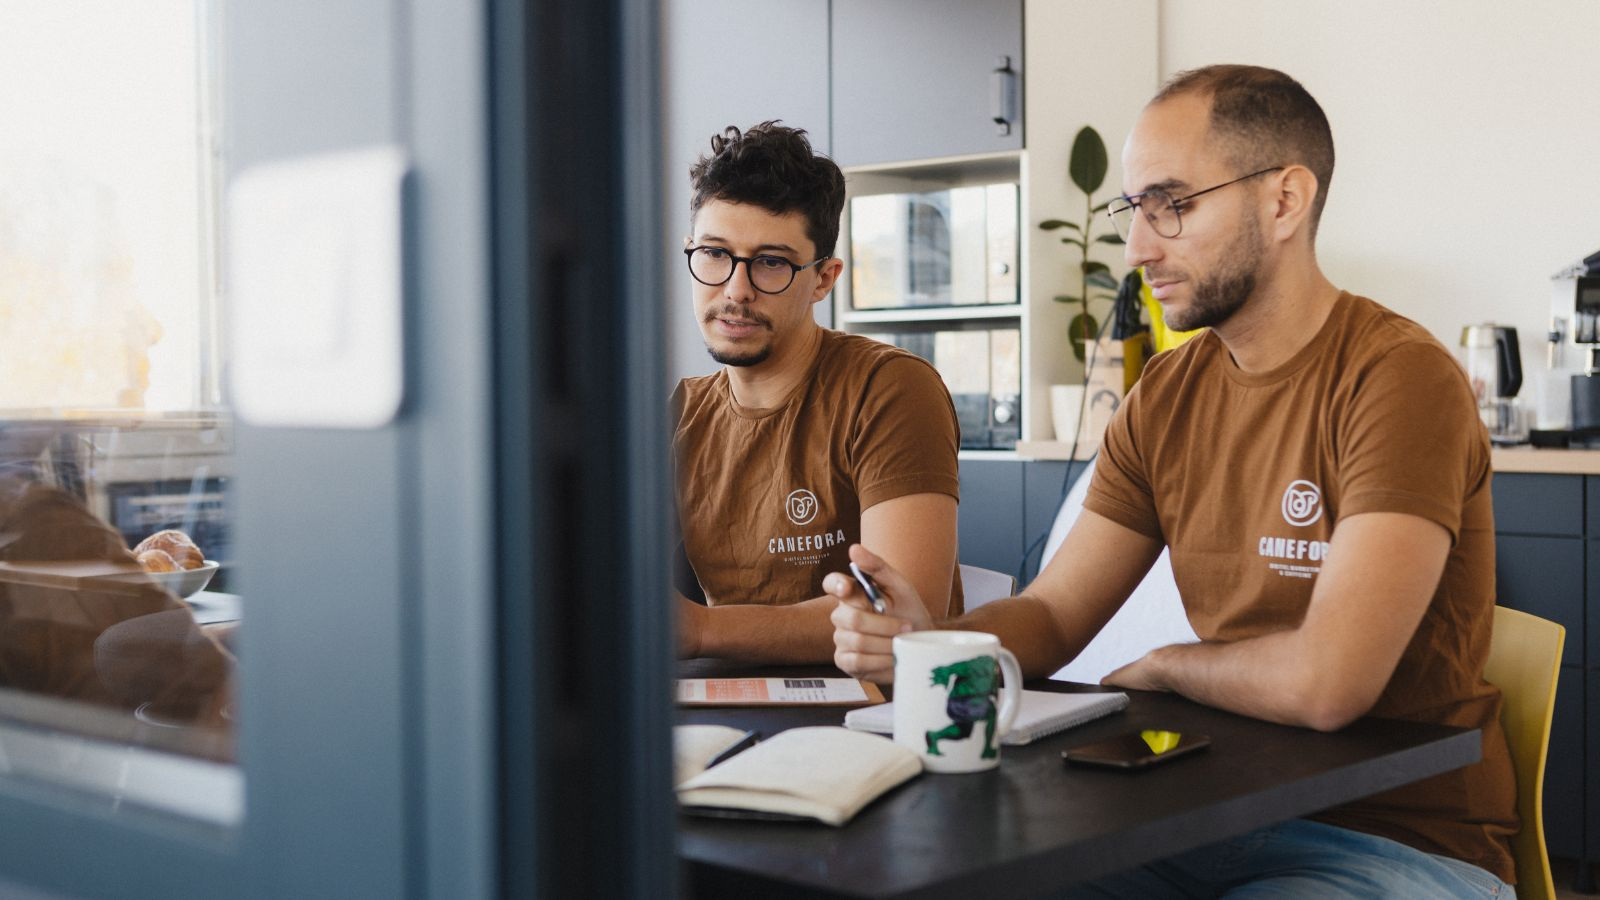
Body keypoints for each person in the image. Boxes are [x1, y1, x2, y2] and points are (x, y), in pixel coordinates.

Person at [828, 66, 1518, 897]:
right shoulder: (1166, 394)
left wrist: (1168, 664)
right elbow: (1053, 612)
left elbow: (1329, 684)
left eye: (1173, 204)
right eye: (1133, 210)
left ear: (1285, 201)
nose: (1139, 246)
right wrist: (936, 643)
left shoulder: (1398, 379)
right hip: (1198, 813)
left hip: (1389, 837)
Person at [672, 121, 962, 664]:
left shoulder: (890, 389)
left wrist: (705, 630)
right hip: (731, 708)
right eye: (713, 254)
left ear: (824, 279)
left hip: (873, 714)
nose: (736, 289)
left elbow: (903, 612)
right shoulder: (680, 414)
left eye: (771, 263)